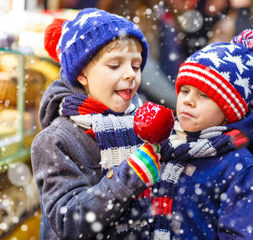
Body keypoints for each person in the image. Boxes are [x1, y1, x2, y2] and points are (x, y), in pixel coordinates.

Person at [31, 8, 161, 239]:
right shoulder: (55, 140)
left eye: (135, 65)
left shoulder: (138, 122)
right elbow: (68, 221)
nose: (130, 74)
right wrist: (129, 177)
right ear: (82, 74)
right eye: (114, 65)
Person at [152, 29, 253, 239]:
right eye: (185, 91)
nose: (188, 100)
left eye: (204, 95)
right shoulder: (163, 146)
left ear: (228, 110)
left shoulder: (238, 168)